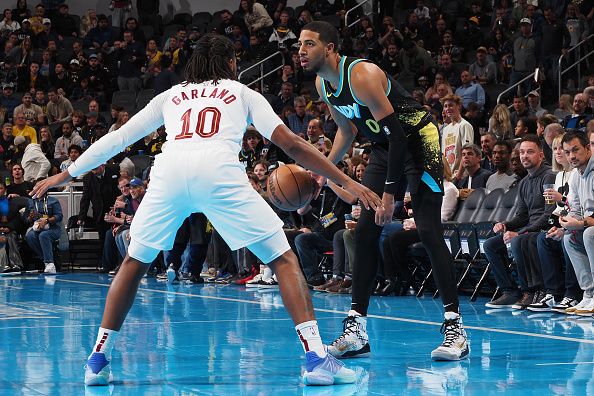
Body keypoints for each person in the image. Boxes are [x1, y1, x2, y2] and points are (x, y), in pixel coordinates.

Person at [32, 33, 382, 387]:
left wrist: (66, 172)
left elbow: (119, 137)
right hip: (218, 170)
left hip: (170, 170)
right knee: (283, 258)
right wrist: (348, 182)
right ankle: (315, 359)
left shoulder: (172, 95)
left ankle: (97, 359)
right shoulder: (243, 93)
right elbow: (289, 143)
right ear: (231, 63)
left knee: (134, 263)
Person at [297, 21, 469, 361]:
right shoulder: (323, 85)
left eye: (309, 44)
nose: (301, 51)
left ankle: (455, 327)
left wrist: (389, 195)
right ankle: (357, 329)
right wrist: (322, 173)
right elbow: (345, 132)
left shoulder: (360, 76)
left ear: (329, 48)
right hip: (382, 147)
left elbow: (400, 138)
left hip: (419, 142)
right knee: (364, 233)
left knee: (430, 232)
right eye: (300, 45)